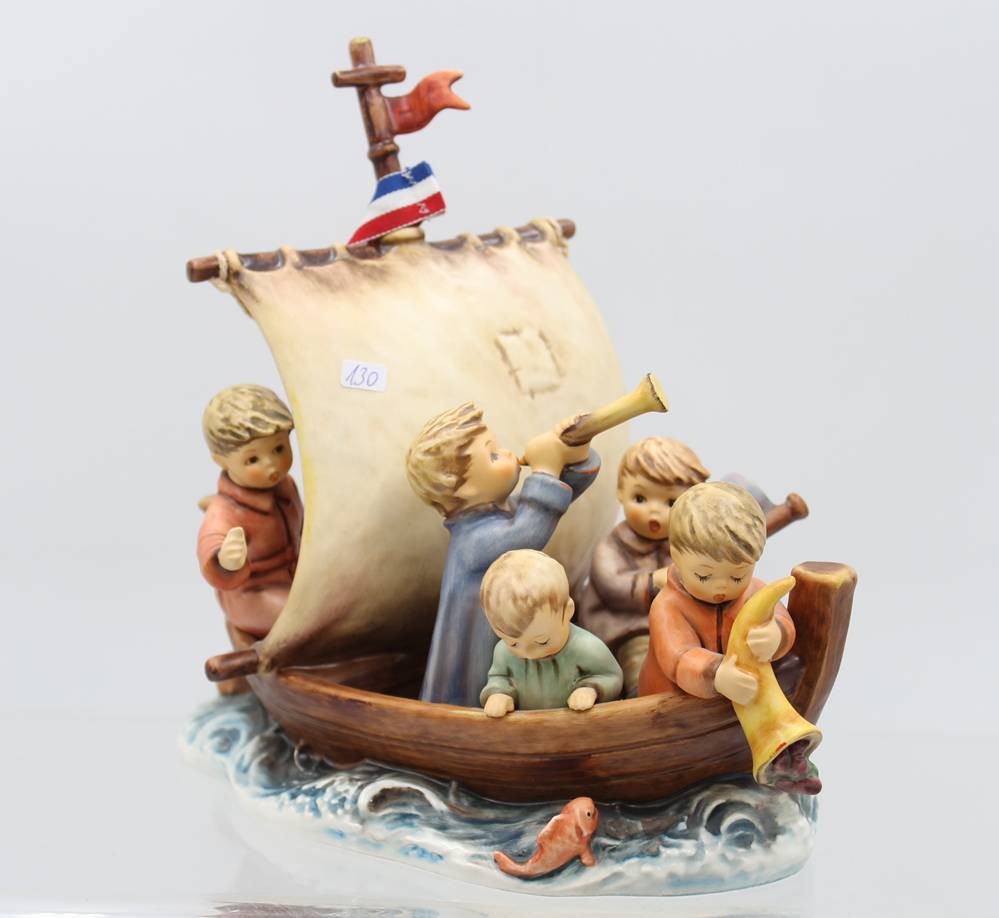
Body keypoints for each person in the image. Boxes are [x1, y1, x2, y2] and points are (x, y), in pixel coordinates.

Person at [405, 403, 600, 706]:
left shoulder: (500, 512)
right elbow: (530, 530)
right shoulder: (472, 540)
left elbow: (559, 494)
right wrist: (546, 470)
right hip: (479, 666)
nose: (508, 454)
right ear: (466, 490)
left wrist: (573, 451)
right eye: (494, 455)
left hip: (516, 643)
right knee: (488, 687)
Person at [638, 481, 795, 704]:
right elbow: (679, 657)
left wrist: (776, 634)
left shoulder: (754, 592)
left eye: (737, 576)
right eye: (704, 576)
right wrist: (717, 674)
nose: (721, 586)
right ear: (676, 556)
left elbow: (780, 618)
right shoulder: (667, 607)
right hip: (674, 704)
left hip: (741, 696)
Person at [576, 437, 709, 694]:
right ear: (620, 491)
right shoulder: (612, 546)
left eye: (671, 502)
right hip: (628, 626)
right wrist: (651, 582)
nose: (654, 512)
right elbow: (612, 585)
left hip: (679, 624)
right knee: (641, 654)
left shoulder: (688, 546)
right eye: (640, 498)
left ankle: (703, 683)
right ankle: (640, 692)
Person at [197, 385, 303, 692]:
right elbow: (211, 542)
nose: (272, 466)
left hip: (295, 578)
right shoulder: (225, 512)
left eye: (279, 449)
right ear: (221, 460)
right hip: (253, 592)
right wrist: (226, 559)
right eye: (253, 460)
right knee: (301, 619)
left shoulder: (286, 487)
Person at [478, 550, 622, 716]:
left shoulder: (587, 648)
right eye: (513, 643)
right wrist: (499, 694)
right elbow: (499, 678)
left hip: (576, 725)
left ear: (567, 612)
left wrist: (590, 689)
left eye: (542, 641)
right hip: (527, 726)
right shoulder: (503, 653)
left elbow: (611, 677)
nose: (528, 653)